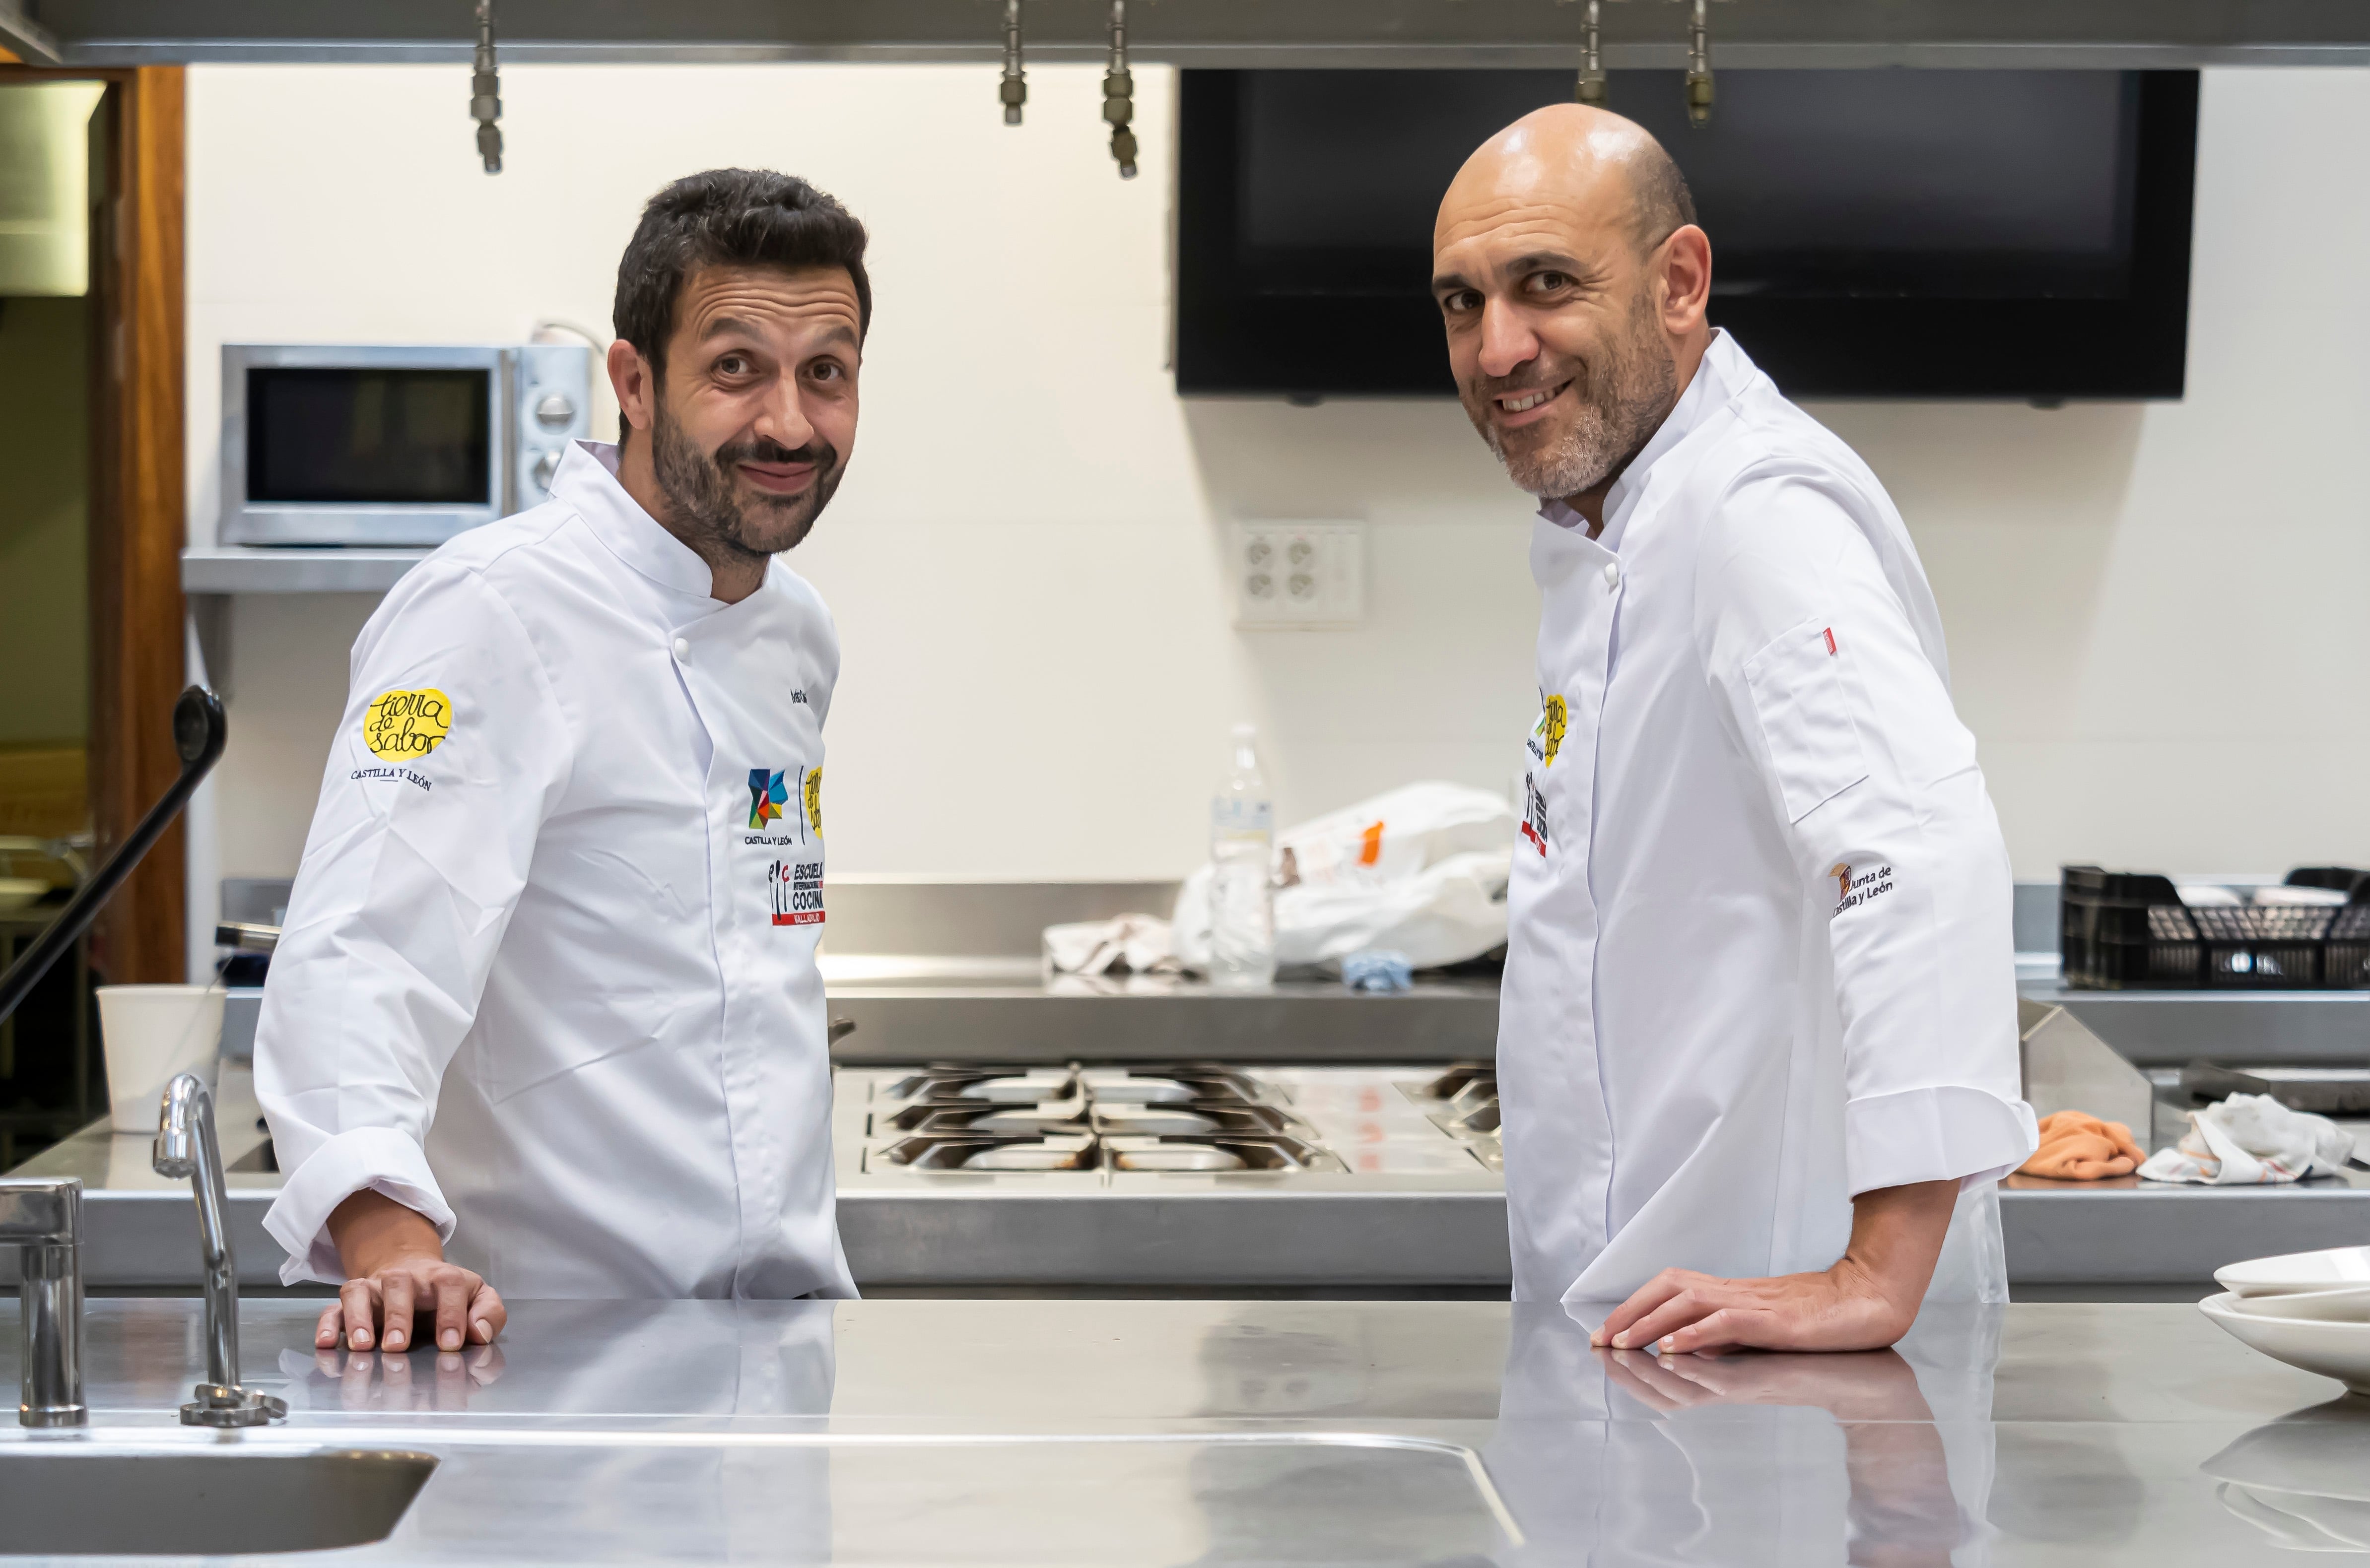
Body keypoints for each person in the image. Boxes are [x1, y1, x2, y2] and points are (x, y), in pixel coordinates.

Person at [1431, 106, 2037, 1353]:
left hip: (1782, 1385)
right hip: (1656, 1340)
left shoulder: (1757, 512)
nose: (1498, 348)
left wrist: (1872, 1275)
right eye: (1461, 302)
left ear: (1679, 282)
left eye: (1547, 285)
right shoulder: (1618, 524)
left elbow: (1921, 855)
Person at [253, 167, 871, 1354]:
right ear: (635, 383)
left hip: (781, 1346)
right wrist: (391, 1246)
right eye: (735, 367)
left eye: (825, 372)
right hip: (554, 1349)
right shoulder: (485, 611)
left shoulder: (797, 628)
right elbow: (358, 948)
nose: (790, 424)